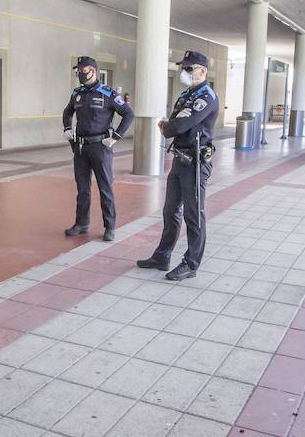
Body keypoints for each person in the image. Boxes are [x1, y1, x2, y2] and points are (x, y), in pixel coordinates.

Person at [137, 50, 220, 281]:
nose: (184, 72)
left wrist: (171, 125)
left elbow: (178, 125)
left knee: (194, 215)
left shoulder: (207, 97)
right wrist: (172, 124)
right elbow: (175, 120)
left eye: (188, 69)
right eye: (183, 68)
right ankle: (162, 256)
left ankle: (191, 263)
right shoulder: (186, 95)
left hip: (195, 163)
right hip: (180, 159)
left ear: (202, 71)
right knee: (170, 210)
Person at [62, 56, 134, 241]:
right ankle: (81, 223)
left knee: (105, 188)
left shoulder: (108, 94)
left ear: (93, 71)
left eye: (82, 71)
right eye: (77, 71)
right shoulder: (77, 93)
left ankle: (109, 227)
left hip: (101, 147)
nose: (79, 74)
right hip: (81, 148)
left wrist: (115, 137)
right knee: (82, 188)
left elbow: (128, 114)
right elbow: (67, 111)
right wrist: (67, 128)